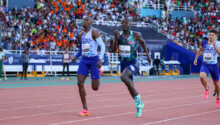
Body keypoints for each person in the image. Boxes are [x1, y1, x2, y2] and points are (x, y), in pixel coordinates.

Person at [113, 17, 151, 117]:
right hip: (123, 63)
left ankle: (138, 98)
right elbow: (113, 50)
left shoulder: (135, 35)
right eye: (122, 23)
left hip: (134, 62)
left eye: (126, 23)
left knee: (123, 77)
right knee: (130, 86)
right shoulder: (118, 35)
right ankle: (139, 105)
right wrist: (116, 38)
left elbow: (143, 43)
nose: (124, 25)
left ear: (130, 24)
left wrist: (147, 55)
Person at [72, 16, 105, 116]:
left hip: (94, 60)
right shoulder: (80, 35)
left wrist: (100, 60)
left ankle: (99, 71)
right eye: (84, 19)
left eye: (87, 20)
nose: (85, 21)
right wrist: (76, 56)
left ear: (91, 22)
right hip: (84, 60)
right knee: (79, 82)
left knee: (95, 88)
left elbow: (102, 46)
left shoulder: (94, 32)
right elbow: (83, 49)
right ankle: (85, 109)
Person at [194, 29, 220, 107]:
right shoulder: (204, 42)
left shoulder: (218, 43)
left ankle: (218, 98)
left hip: (214, 66)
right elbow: (200, 50)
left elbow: (219, 53)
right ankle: (207, 88)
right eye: (209, 35)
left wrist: (214, 46)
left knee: (216, 84)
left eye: (212, 35)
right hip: (205, 64)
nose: (211, 36)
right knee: (202, 76)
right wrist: (196, 58)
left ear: (216, 36)